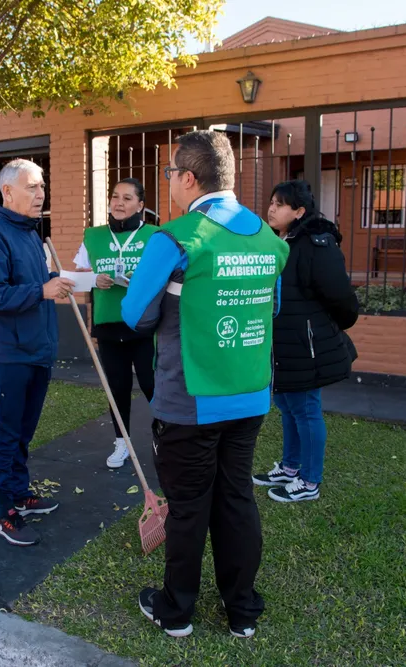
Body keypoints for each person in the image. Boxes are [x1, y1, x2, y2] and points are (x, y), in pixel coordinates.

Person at [121, 130, 289, 639]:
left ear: (189, 178)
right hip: (251, 394)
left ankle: (176, 612)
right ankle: (242, 612)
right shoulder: (268, 237)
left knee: (190, 506)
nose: (169, 182)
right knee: (237, 498)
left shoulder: (172, 238)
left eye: (171, 174)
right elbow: (272, 307)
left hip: (189, 402)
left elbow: (134, 315)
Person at [0, 158, 76, 547]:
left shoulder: (32, 235)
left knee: (24, 429)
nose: (41, 194)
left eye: (42, 186)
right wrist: (41, 291)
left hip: (38, 348)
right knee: (6, 429)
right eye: (32, 187)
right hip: (8, 350)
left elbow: (40, 282)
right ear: (8, 191)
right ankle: (3, 509)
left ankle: (19, 493)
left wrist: (60, 281)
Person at [252, 179, 359, 503]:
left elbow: (341, 298)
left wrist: (320, 329)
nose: (272, 208)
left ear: (298, 211)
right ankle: (289, 466)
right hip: (281, 344)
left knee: (306, 408)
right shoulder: (279, 241)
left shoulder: (316, 244)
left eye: (280, 204)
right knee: (286, 404)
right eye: (271, 201)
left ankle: (309, 481)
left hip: (305, 345)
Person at [73, 177, 157, 468]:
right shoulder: (93, 236)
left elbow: (170, 277)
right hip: (108, 324)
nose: (119, 203)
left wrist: (143, 282)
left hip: (145, 325)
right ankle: (122, 443)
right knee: (117, 387)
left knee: (151, 383)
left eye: (127, 198)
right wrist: (93, 279)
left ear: (140, 205)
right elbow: (74, 279)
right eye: (115, 197)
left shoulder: (156, 236)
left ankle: (163, 437)